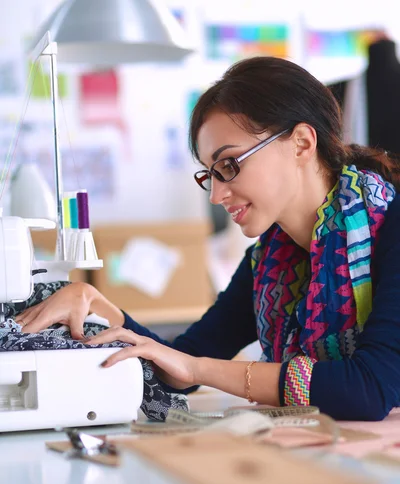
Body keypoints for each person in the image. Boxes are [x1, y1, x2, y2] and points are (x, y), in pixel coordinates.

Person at [15, 56, 400, 421]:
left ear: (301, 142)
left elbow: (369, 388)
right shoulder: (270, 263)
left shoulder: (392, 228)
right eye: (209, 176)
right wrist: (98, 304)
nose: (216, 195)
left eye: (229, 166)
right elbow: (181, 362)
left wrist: (197, 367)